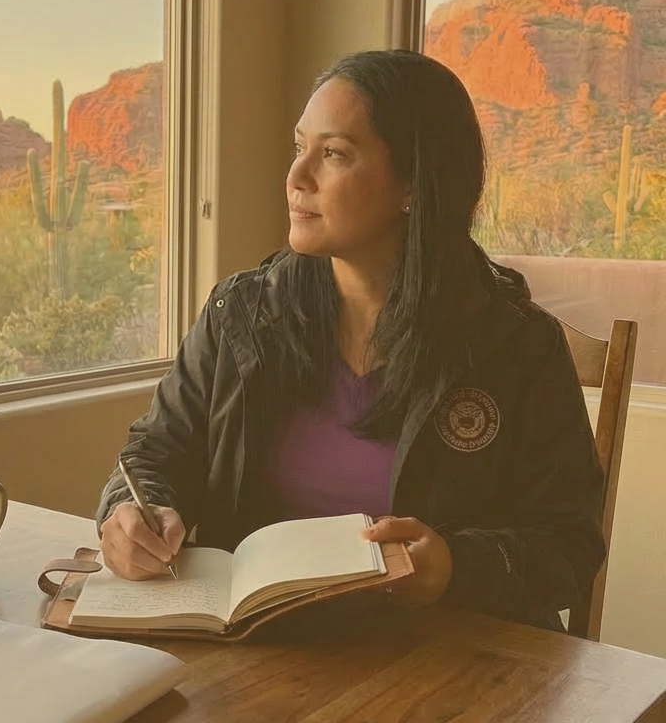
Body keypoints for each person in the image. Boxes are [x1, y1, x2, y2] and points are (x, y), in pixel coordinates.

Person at [94, 49, 607, 633]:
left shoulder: (517, 346)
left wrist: (453, 567)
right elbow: (154, 452)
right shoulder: (238, 313)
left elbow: (570, 544)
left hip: (452, 663)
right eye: (299, 147)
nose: (296, 177)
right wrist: (130, 510)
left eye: (333, 153)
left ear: (414, 181)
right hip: (265, 652)